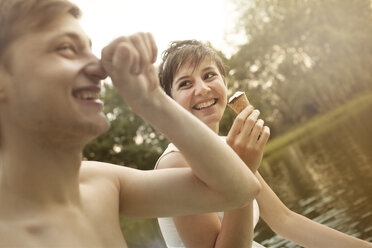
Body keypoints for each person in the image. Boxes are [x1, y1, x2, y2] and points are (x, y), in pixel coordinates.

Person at [0, 1, 262, 247]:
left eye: (90, 50)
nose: (99, 68)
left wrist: (151, 99)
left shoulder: (101, 183)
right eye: (66, 48)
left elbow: (240, 190)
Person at [155, 39, 372, 248]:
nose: (202, 89)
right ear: (171, 102)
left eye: (209, 75)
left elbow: (285, 221)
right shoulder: (175, 165)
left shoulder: (228, 149)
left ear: (224, 82)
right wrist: (244, 171)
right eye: (185, 83)